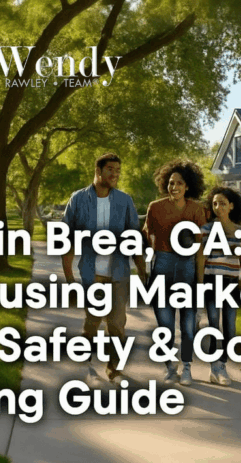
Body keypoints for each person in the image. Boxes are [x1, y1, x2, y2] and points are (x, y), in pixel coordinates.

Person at [62, 153, 147, 383]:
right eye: (111, 169)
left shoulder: (124, 200)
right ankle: (86, 359)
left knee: (117, 324)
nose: (115, 174)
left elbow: (134, 239)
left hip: (119, 273)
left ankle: (114, 369)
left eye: (118, 170)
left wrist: (142, 270)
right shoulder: (78, 199)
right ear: (98, 170)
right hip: (92, 273)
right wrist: (70, 280)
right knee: (92, 320)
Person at [143, 159, 207, 385]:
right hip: (162, 265)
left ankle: (187, 367)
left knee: (187, 324)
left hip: (187, 266)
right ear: (165, 185)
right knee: (165, 325)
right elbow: (147, 237)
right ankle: (170, 368)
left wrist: (200, 282)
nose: (174, 187)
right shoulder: (155, 207)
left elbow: (201, 248)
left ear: (188, 186)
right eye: (171, 183)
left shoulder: (197, 210)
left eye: (179, 183)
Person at [198, 186, 241, 386]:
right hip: (211, 280)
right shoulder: (206, 229)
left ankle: (222, 365)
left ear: (231, 206)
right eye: (215, 204)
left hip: (230, 283)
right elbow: (201, 257)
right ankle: (216, 368)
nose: (219, 207)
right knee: (213, 324)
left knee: (230, 328)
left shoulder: (238, 231)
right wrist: (200, 283)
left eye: (223, 204)